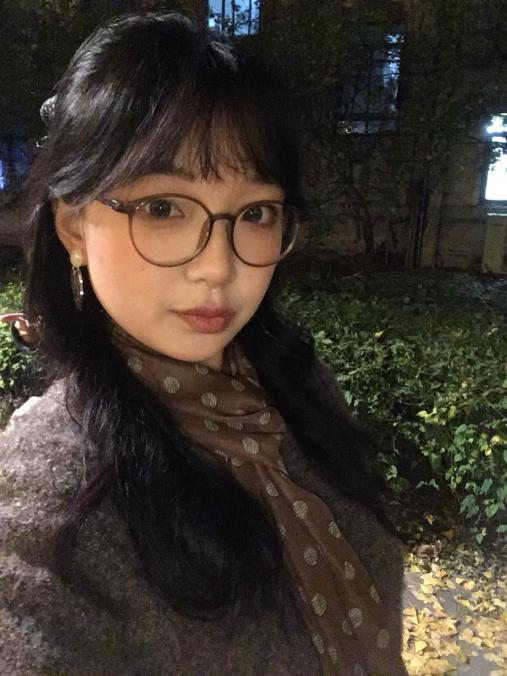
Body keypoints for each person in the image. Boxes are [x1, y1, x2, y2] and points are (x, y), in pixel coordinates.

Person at [0, 12, 408, 675]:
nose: (218, 266)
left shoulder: (298, 386)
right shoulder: (52, 496)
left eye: (255, 213)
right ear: (73, 227)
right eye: (162, 208)